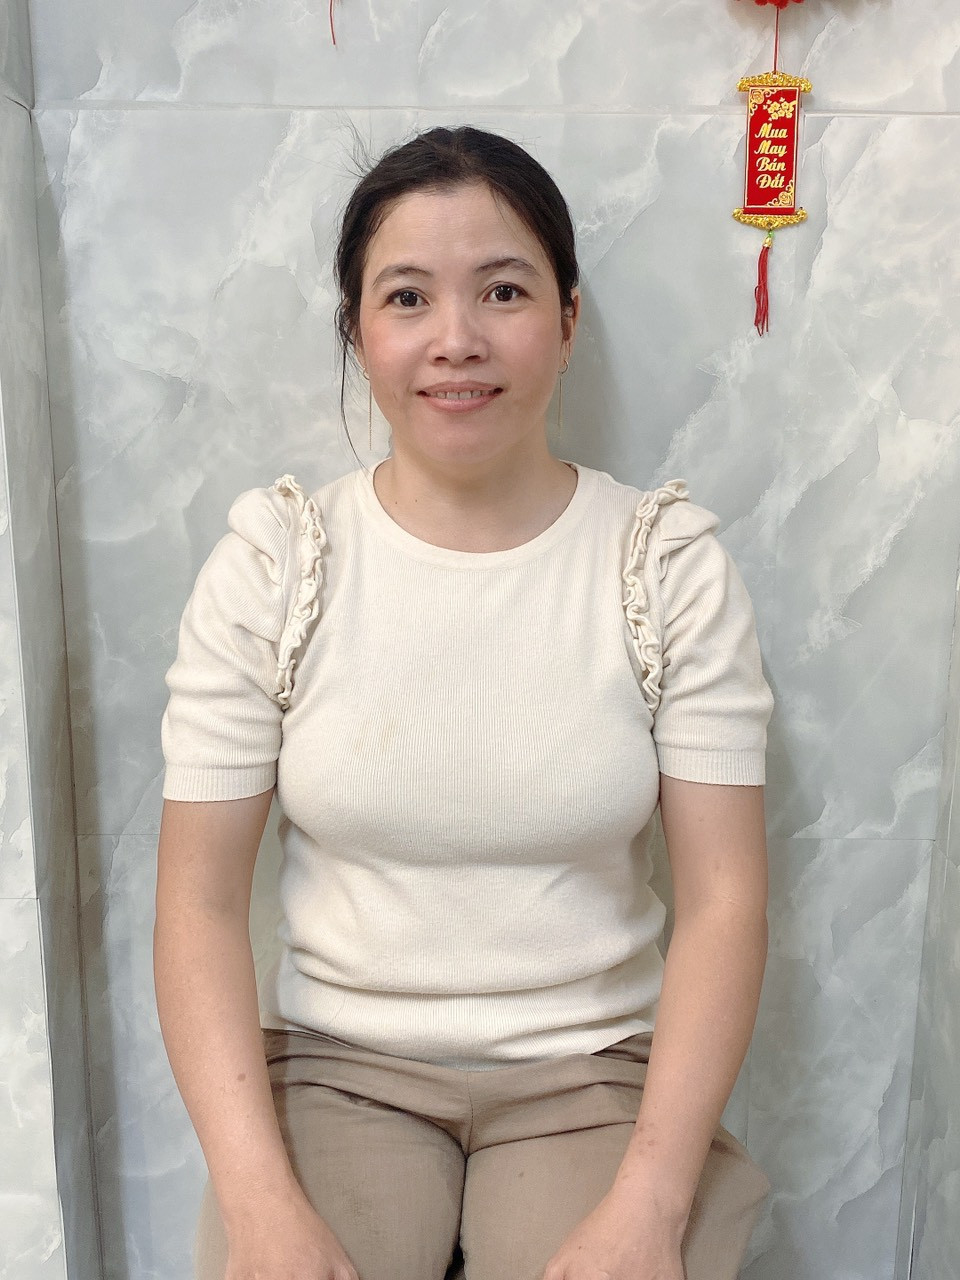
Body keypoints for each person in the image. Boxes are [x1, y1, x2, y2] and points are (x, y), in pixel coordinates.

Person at [154, 125, 775, 1280]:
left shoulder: (666, 564)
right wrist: (258, 1201)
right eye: (406, 297)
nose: (457, 339)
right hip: (338, 1066)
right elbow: (195, 901)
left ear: (568, 320)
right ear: (357, 332)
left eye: (504, 289)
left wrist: (650, 1202)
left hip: (593, 1071)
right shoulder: (275, 561)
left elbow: (726, 899)